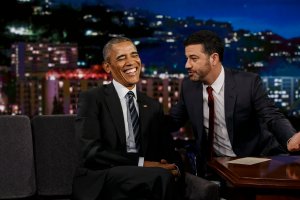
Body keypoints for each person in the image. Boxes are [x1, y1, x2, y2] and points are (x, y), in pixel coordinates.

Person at [168, 30, 300, 178]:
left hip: (255, 162)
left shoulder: (248, 83)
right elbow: (172, 122)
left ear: (214, 59)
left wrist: (290, 138)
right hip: (212, 166)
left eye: (193, 58)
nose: (187, 65)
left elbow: (272, 116)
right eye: (186, 58)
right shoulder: (188, 87)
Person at [72, 36, 184, 200]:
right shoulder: (92, 99)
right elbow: (91, 152)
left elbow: (167, 149)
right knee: (160, 176)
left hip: (145, 178)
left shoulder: (152, 106)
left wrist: (176, 167)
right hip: (103, 177)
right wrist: (141, 163)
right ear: (108, 67)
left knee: (165, 175)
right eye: (121, 58)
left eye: (134, 55)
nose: (131, 62)